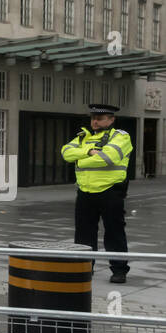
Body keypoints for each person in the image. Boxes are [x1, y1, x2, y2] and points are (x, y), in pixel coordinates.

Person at [62, 103, 134, 283]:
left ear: (111, 119)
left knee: (114, 233)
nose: (95, 121)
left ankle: (119, 270)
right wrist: (88, 151)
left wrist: (80, 161)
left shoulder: (121, 137)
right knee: (83, 234)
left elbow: (107, 158)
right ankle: (85, 267)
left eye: (100, 118)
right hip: (85, 192)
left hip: (110, 192)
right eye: (93, 118)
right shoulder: (83, 137)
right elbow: (65, 152)